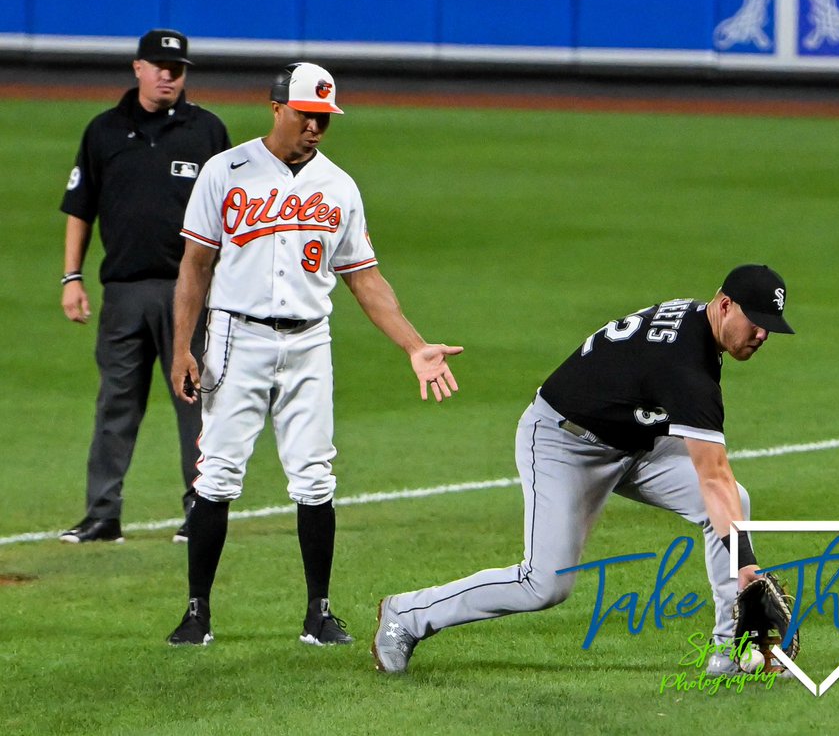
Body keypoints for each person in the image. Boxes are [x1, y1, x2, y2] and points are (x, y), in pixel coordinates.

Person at [166, 62, 462, 648]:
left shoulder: (339, 185)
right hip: (235, 336)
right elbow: (194, 267)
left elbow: (366, 279)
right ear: (277, 108)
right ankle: (196, 612)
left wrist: (414, 344)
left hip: (309, 341)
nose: (317, 128)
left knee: (315, 476)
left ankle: (318, 613)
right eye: (307, 115)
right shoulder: (226, 172)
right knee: (219, 472)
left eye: (325, 118)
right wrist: (183, 347)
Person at [373, 264, 794, 675]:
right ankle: (406, 615)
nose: (761, 335)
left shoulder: (698, 323)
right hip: (564, 442)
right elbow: (712, 475)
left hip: (635, 441)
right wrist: (747, 567)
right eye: (754, 322)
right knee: (544, 584)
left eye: (769, 327)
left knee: (732, 502)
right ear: (723, 306)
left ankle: (729, 652)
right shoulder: (684, 367)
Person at [59, 29, 231, 545]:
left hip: (191, 294)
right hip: (124, 294)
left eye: (176, 69)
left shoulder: (207, 132)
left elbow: (236, 214)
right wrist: (72, 277)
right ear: (138, 68)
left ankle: (200, 508)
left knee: (195, 404)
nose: (167, 76)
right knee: (116, 402)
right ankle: (102, 514)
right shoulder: (103, 131)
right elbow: (79, 209)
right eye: (159, 66)